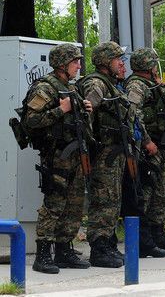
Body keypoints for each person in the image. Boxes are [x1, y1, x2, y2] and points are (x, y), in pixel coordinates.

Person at [78, 41, 157, 267]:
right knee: (104, 201)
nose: (121, 63)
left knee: (114, 202)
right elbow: (89, 105)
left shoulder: (114, 85)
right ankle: (99, 248)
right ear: (105, 62)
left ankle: (108, 244)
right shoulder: (97, 82)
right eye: (117, 60)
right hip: (105, 154)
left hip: (118, 153)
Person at [23, 44, 92, 274]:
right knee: (54, 204)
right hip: (58, 156)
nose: (79, 66)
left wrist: (85, 108)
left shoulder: (71, 87)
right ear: (62, 64)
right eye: (75, 62)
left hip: (75, 155)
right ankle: (43, 254)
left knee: (74, 205)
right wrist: (60, 111)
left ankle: (64, 249)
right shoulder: (45, 88)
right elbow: (31, 120)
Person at [125, 47, 165, 255]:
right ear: (147, 65)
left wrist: (161, 87)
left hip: (159, 148)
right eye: (154, 63)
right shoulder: (136, 85)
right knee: (146, 194)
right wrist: (147, 141)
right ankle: (144, 241)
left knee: (159, 194)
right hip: (147, 150)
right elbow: (133, 115)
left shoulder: (152, 84)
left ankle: (158, 234)